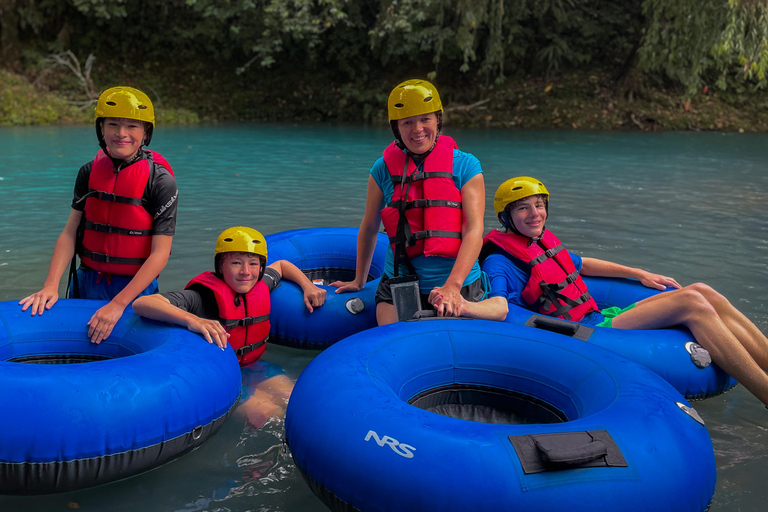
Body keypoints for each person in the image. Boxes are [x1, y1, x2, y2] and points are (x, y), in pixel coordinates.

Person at [482, 176, 768, 408]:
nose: (535, 214)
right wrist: (462, 306)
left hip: (600, 316)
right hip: (585, 330)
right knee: (693, 302)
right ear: (506, 215)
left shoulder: (540, 242)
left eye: (539, 205)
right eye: (523, 208)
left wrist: (638, 273)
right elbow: (500, 306)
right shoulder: (500, 261)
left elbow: (581, 265)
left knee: (705, 291)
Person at [331, 79, 507, 324]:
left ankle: (468, 301)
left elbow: (474, 230)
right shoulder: (382, 169)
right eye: (407, 122)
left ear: (438, 120)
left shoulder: (466, 165)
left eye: (425, 119)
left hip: (458, 284)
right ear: (396, 128)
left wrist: (452, 287)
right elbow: (370, 225)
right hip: (399, 283)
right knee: (394, 345)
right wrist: (359, 280)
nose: (418, 129)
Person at [19, 86, 178, 345]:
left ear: (146, 132)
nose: (121, 133)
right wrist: (50, 285)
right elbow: (70, 232)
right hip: (87, 281)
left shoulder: (160, 181)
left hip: (134, 288)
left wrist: (119, 303)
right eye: (113, 124)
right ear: (101, 129)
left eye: (132, 126)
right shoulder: (88, 172)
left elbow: (160, 254)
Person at [133, 226, 326, 427]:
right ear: (220, 267)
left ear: (261, 268)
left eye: (253, 264)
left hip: (256, 366)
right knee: (270, 413)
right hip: (223, 375)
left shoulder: (260, 285)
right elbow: (143, 304)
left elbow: (282, 265)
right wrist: (194, 320)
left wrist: (308, 286)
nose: (245, 272)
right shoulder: (203, 297)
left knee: (295, 399)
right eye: (235, 263)